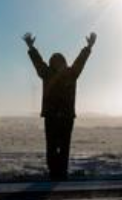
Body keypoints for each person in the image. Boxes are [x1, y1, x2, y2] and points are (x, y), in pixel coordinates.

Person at [22, 31, 97, 180]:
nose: (58, 64)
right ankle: (53, 171)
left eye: (60, 61)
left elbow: (80, 61)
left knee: (64, 146)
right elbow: (38, 62)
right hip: (52, 116)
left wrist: (88, 47)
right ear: (52, 63)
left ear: (64, 62)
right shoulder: (47, 73)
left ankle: (61, 171)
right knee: (51, 145)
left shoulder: (71, 73)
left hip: (66, 117)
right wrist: (31, 47)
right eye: (55, 61)